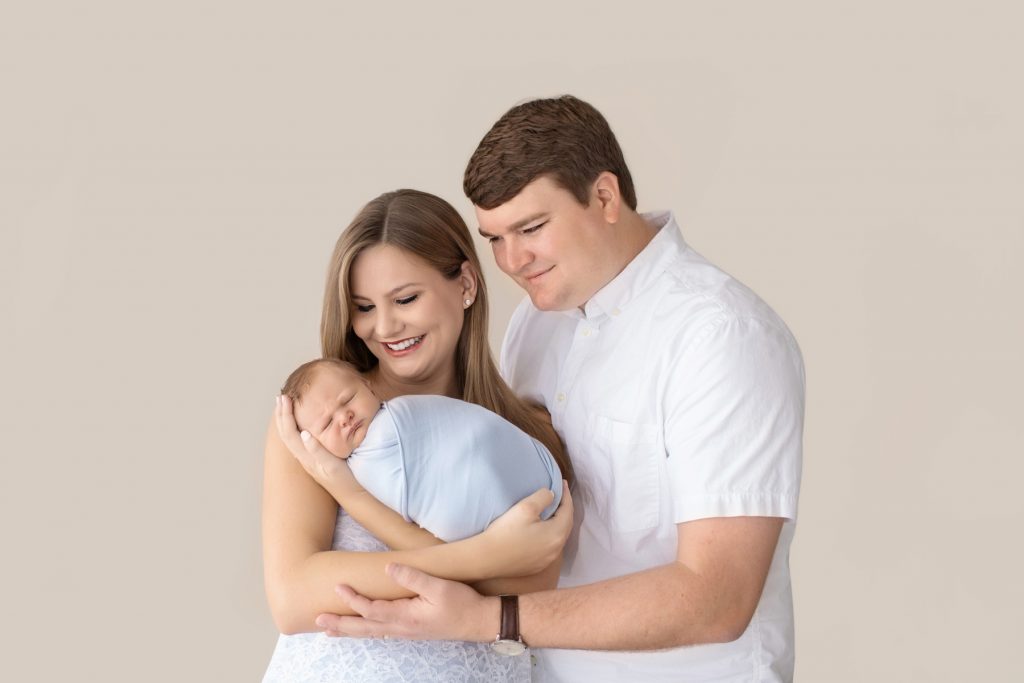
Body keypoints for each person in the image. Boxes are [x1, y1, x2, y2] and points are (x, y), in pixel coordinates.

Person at [315, 96, 805, 682]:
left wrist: (488, 618)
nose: (513, 261)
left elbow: (717, 597)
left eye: (531, 228)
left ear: (604, 197)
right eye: (494, 238)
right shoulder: (536, 322)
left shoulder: (721, 336)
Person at [261, 189, 575, 682]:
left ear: (466, 283)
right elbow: (295, 598)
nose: (383, 326)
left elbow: (531, 585)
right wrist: (484, 556)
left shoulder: (523, 435)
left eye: (405, 299)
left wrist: (489, 566)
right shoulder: (318, 425)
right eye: (363, 307)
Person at [279, 357, 563, 542]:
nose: (344, 418)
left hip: (525, 489)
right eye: (327, 424)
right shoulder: (319, 463)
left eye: (348, 399)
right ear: (310, 441)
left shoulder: (396, 420)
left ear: (369, 388)